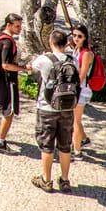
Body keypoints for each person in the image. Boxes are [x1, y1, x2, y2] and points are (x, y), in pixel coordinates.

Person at [26, 29, 75, 193]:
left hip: (47, 108)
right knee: (65, 145)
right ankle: (65, 179)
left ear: (51, 42)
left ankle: (46, 180)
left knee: (47, 145)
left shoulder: (44, 59)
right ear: (66, 43)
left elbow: (30, 68)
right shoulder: (73, 59)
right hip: (68, 107)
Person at [0, 13, 28, 154]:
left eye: (20, 26)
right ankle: (1, 143)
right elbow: (6, 65)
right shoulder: (8, 42)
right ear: (9, 25)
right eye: (17, 26)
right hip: (7, 80)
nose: (19, 29)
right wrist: (23, 68)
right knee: (9, 112)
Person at [69, 25, 94, 160]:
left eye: (79, 36)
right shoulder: (76, 49)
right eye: (74, 35)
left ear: (85, 38)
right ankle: (83, 139)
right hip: (77, 88)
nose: (76, 38)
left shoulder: (86, 54)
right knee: (75, 119)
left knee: (76, 121)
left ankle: (77, 150)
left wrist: (71, 87)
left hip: (81, 89)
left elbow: (82, 75)